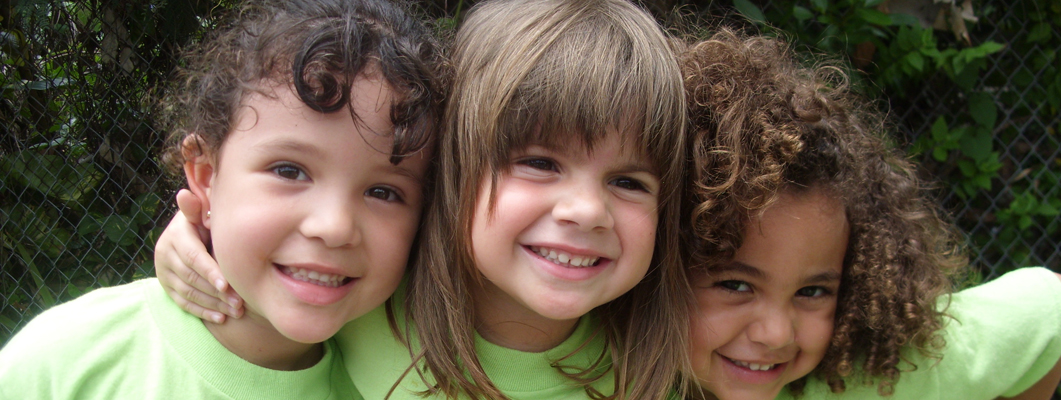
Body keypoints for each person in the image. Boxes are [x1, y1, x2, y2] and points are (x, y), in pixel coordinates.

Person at [153, 0, 692, 398]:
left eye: (629, 183)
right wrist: (199, 233)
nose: (587, 210)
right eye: (540, 163)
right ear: (452, 170)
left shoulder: (662, 362)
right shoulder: (370, 301)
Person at [0, 0, 443, 398]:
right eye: (289, 171)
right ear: (206, 176)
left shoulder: (402, 386)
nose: (334, 226)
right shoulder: (65, 361)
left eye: (384, 192)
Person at [679, 28, 1061, 400]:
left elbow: (1051, 306)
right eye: (735, 285)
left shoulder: (877, 380)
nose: (777, 334)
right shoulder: (618, 365)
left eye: (813, 292)